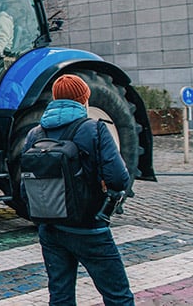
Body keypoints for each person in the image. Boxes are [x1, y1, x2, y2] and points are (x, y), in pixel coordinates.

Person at [22, 74, 133, 305]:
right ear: (84, 100)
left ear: (55, 99)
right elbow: (119, 179)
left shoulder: (34, 134)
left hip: (51, 229)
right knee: (118, 296)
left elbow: (26, 188)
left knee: (60, 296)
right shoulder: (94, 129)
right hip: (89, 228)